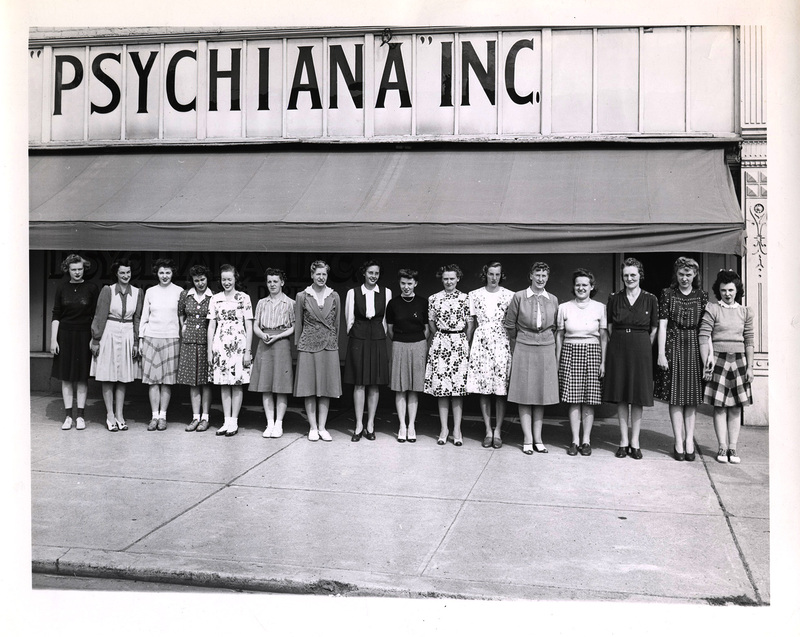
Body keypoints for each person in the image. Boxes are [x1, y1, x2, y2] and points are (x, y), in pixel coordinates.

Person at [602, 257, 659, 460]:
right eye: (626, 275)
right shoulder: (614, 298)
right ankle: (623, 441)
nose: (629, 278)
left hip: (641, 348)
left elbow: (654, 329)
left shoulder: (650, 298)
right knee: (621, 395)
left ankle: (635, 441)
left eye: (633, 274)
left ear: (640, 275)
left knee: (637, 396)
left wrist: (642, 345)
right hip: (618, 347)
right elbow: (609, 327)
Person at [654, 257, 708, 461]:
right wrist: (661, 353)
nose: (684, 278)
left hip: (694, 346)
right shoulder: (668, 294)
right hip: (673, 345)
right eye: (681, 274)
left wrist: (708, 354)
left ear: (695, 275)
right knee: (675, 396)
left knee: (692, 398)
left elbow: (706, 329)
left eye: (688, 274)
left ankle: (689, 441)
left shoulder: (702, 296)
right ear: (675, 275)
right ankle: (678, 441)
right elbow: (663, 325)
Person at [699, 270, 754, 464]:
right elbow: (704, 337)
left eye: (731, 290)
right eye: (723, 290)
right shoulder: (712, 308)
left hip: (739, 361)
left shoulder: (745, 311)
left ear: (737, 290)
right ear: (718, 291)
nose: (727, 294)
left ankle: (733, 448)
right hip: (718, 360)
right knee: (720, 407)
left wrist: (750, 368)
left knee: (736, 408)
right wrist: (707, 362)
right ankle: (722, 447)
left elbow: (749, 340)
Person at [504, 262, 559, 454]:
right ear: (531, 276)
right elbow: (510, 325)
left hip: (545, 346)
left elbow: (554, 326)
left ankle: (538, 438)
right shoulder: (519, 297)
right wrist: (520, 341)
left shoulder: (552, 299)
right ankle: (527, 438)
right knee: (525, 394)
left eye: (544, 275)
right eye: (537, 275)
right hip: (524, 346)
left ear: (548, 277)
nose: (540, 279)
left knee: (540, 394)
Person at [555, 269, 607, 457]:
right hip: (570, 352)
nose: (581, 288)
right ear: (573, 287)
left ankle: (586, 440)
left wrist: (603, 362)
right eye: (578, 284)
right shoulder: (564, 307)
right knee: (573, 399)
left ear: (591, 287)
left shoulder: (600, 307)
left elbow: (603, 337)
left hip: (592, 353)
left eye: (585, 285)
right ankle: (574, 440)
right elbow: (559, 336)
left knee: (589, 399)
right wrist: (558, 360)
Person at [89, 258, 143, 431]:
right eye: (122, 273)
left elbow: (137, 319)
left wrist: (136, 342)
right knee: (108, 374)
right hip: (109, 332)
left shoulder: (137, 292)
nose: (125, 275)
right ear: (116, 274)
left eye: (128, 272)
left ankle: (120, 415)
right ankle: (110, 415)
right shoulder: (108, 290)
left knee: (123, 376)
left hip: (127, 333)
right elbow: (100, 315)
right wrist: (96, 339)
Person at [466, 261, 513, 449]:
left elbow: (511, 324)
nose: (494, 277)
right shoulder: (474, 295)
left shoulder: (510, 295)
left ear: (501, 275)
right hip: (481, 343)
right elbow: (471, 324)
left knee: (500, 390)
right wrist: (469, 347)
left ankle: (498, 431)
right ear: (485, 274)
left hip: (501, 342)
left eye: (497, 274)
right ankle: (487, 430)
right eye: (491, 274)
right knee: (484, 389)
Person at [424, 264, 472, 446]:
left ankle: (457, 429)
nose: (449, 282)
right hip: (441, 343)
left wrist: (462, 342)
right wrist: (442, 337)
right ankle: (444, 429)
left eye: (452, 278)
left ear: (458, 278)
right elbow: (431, 322)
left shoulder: (466, 298)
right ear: (441, 279)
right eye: (445, 279)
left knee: (457, 390)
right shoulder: (434, 298)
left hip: (459, 344)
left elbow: (470, 324)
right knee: (442, 390)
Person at [294, 260, 342, 442]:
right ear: (312, 275)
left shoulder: (334, 296)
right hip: (308, 346)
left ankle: (322, 427)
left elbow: (336, 324)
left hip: (329, 346)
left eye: (324, 274)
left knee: (326, 388)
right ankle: (312, 427)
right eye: (318, 274)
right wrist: (299, 345)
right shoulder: (302, 296)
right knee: (309, 388)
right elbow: (298, 322)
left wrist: (333, 342)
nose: (321, 278)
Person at [344, 260, 392, 442]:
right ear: (364, 273)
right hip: (359, 338)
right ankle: (358, 425)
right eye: (370, 273)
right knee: (359, 382)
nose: (373, 276)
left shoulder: (386, 293)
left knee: (374, 383)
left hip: (377, 338)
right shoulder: (353, 292)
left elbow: (386, 320)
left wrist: (378, 336)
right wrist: (359, 334)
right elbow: (349, 319)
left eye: (376, 273)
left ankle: (370, 424)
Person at [51, 253, 99, 431]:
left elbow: (96, 316)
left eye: (80, 269)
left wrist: (95, 338)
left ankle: (80, 416)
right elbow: (56, 314)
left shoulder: (92, 288)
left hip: (84, 335)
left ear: (84, 269)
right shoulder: (61, 288)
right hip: (64, 335)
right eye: (73, 270)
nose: (77, 272)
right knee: (66, 378)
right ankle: (68, 417)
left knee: (81, 378)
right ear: (67, 270)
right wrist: (53, 340)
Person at [207, 264, 254, 437]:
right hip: (220, 344)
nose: (226, 282)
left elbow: (249, 326)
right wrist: (210, 351)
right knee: (224, 384)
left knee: (237, 383)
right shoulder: (215, 298)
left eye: (229, 279)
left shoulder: (244, 298)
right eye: (223, 279)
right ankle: (226, 421)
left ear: (235, 279)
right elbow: (211, 325)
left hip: (238, 345)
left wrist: (248, 351)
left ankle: (234, 421)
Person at [249, 268, 295, 438]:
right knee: (266, 386)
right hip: (265, 342)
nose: (272, 284)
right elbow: (255, 325)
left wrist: (278, 336)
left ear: (282, 282)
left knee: (281, 386)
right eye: (269, 281)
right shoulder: (262, 303)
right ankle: (269, 423)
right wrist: (262, 335)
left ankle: (279, 424)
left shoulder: (290, 303)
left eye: (275, 281)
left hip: (281, 342)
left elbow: (294, 326)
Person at [139, 258, 183, 431]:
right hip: (151, 337)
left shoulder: (180, 292)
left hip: (172, 338)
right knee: (153, 381)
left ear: (173, 273)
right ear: (156, 273)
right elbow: (144, 317)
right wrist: (141, 339)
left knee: (167, 381)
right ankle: (154, 416)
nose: (164, 276)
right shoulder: (150, 292)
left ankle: (163, 416)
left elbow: (181, 320)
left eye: (168, 272)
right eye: (161, 272)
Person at [386, 268, 429, 443]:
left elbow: (427, 328)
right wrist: (401, 341)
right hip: (399, 345)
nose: (406, 287)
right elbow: (389, 329)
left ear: (416, 284)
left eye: (409, 283)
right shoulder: (393, 304)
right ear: (399, 283)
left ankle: (412, 425)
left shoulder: (422, 302)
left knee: (413, 387)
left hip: (418, 345)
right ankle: (402, 425)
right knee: (400, 386)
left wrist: (417, 342)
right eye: (403, 283)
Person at [177, 265, 214, 433]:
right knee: (193, 382)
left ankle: (205, 417)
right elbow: (180, 313)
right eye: (196, 280)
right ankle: (195, 417)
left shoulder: (213, 297)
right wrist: (183, 327)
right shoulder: (185, 295)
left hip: (206, 342)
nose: (200, 283)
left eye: (203, 280)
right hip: (190, 341)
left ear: (207, 279)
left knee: (205, 382)